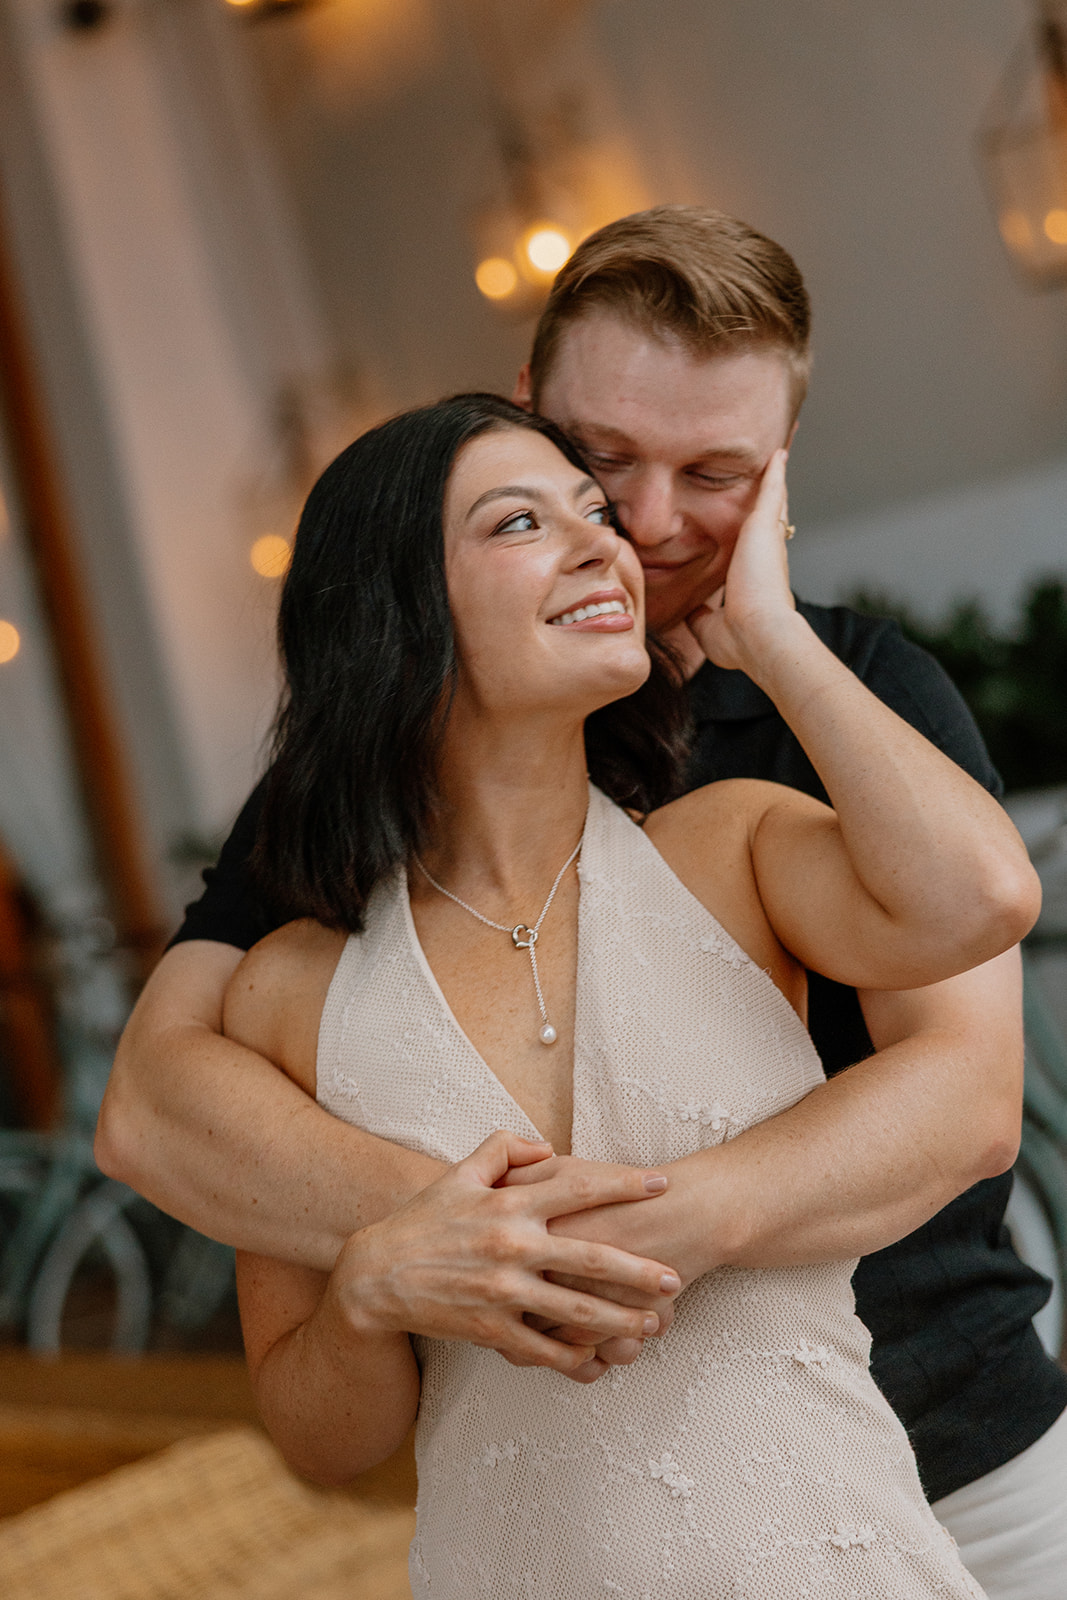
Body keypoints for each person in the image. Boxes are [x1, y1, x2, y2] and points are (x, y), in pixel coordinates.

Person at [95, 208, 1067, 1595]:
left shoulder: (814, 749)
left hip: (948, 1451)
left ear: (780, 475)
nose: (648, 527)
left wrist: (772, 640)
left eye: (716, 473)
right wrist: (428, 1245)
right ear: (527, 408)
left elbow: (971, 1086)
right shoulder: (327, 890)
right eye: (598, 468)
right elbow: (155, 1105)